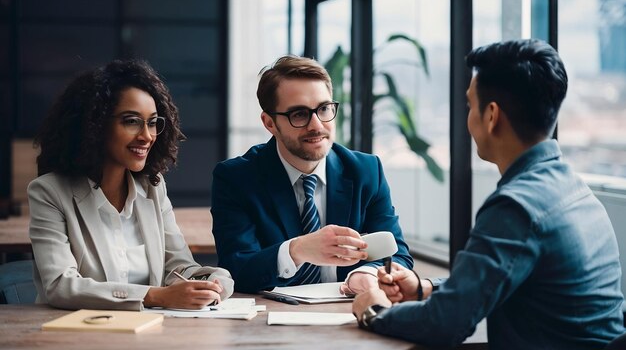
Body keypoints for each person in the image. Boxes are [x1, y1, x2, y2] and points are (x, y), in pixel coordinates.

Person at [352, 39, 625, 349]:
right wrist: (423, 288)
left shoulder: (517, 207)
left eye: (470, 105)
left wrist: (374, 311)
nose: (468, 117)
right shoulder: (573, 189)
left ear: (492, 115)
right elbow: (497, 279)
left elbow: (446, 323)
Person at [28, 60, 234, 311]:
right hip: (79, 334)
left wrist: (210, 281)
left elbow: (178, 266)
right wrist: (156, 296)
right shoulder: (49, 192)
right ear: (95, 124)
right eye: (131, 121)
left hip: (149, 333)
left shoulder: (153, 188)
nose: (147, 136)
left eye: (152, 122)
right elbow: (61, 286)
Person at [211, 55, 413, 294]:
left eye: (324, 109)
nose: (317, 125)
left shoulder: (366, 171)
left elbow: (398, 256)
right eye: (299, 114)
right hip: (271, 322)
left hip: (349, 312)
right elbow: (236, 270)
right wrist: (297, 250)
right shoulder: (237, 178)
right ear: (269, 123)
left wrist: (364, 274)